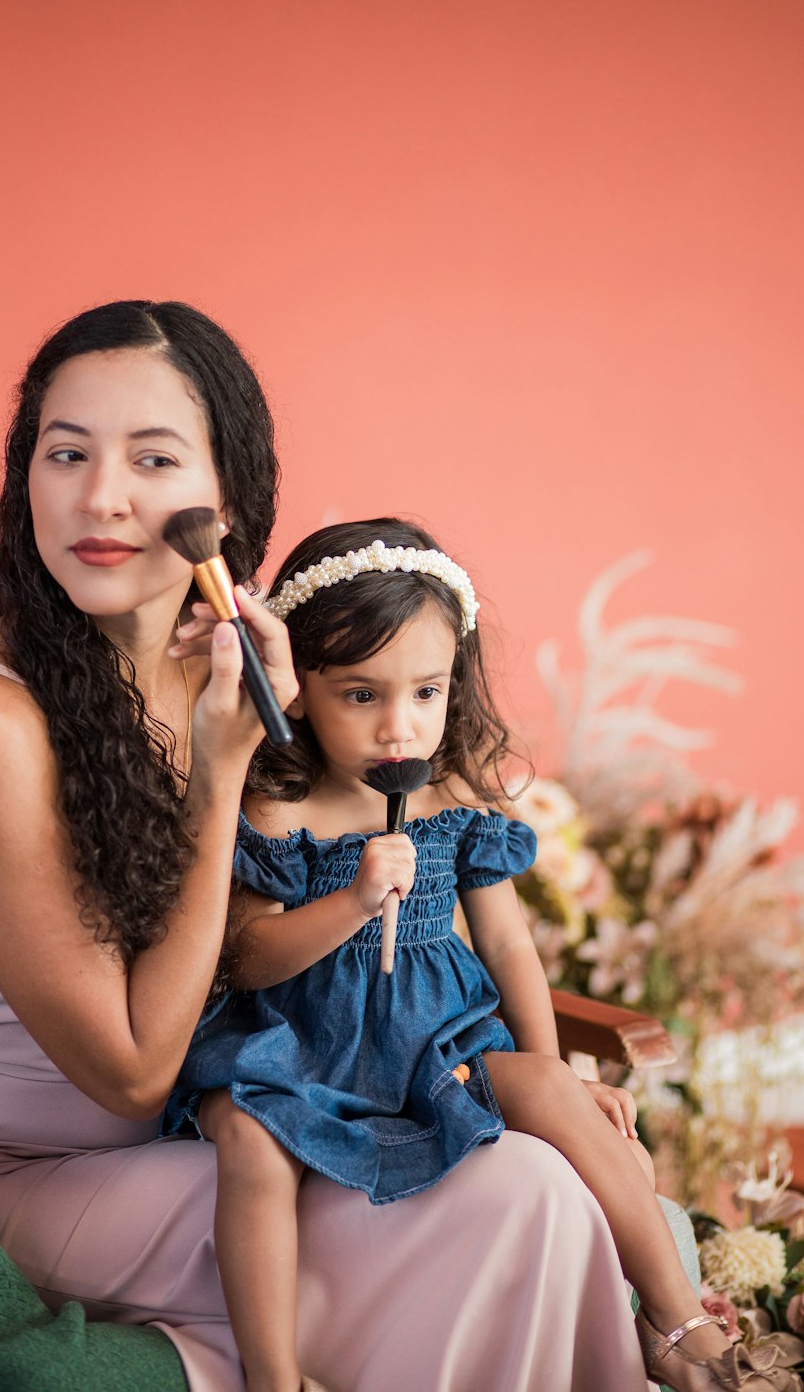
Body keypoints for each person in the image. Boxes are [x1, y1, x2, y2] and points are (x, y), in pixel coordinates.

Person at [0, 301, 660, 1392]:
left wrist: (521, 1072)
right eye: (64, 452)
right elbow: (128, 1074)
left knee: (536, 1179)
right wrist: (220, 774)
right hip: (34, 1174)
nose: (101, 496)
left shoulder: (225, 659)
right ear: (20, 475)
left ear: (228, 499)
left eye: (153, 457)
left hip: (234, 1120)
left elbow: (393, 833)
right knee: (508, 1207)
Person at [164, 516, 802, 1392]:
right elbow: (246, 959)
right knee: (249, 1144)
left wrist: (554, 1075)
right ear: (299, 687)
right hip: (301, 1045)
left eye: (425, 693)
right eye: (361, 695)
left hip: (436, 1042)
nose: (400, 727)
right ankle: (275, 1372)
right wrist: (353, 903)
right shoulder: (281, 806)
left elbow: (505, 944)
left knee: (553, 1089)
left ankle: (676, 1315)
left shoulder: (453, 796)